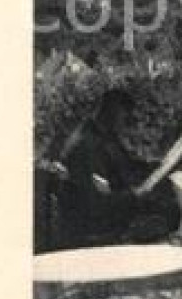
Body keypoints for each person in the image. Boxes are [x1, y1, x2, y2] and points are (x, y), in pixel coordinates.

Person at [56, 88, 173, 243]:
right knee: (169, 212)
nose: (127, 122)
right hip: (98, 226)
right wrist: (135, 195)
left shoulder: (104, 135)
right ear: (113, 112)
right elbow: (95, 204)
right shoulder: (87, 145)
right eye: (125, 115)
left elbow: (125, 166)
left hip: (113, 208)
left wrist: (155, 167)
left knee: (167, 201)